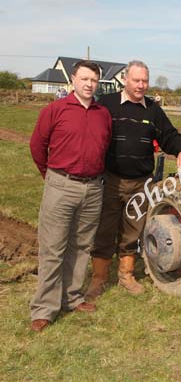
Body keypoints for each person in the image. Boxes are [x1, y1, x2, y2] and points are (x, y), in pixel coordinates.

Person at [85, 60, 181, 302]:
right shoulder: (107, 104)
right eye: (136, 80)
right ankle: (98, 279)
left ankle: (126, 275)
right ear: (125, 79)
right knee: (105, 229)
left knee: (133, 230)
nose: (141, 85)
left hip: (141, 183)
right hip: (110, 180)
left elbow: (169, 135)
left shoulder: (152, 109)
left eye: (145, 81)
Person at [29, 60, 112, 332]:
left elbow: (105, 146)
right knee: (53, 248)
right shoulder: (55, 110)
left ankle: (72, 298)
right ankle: (44, 308)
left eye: (94, 80)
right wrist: (51, 176)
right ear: (73, 80)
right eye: (84, 79)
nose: (89, 84)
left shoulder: (103, 114)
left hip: (93, 189)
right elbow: (37, 145)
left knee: (81, 246)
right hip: (61, 185)